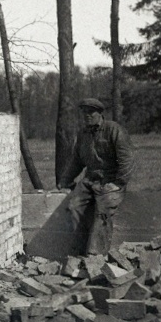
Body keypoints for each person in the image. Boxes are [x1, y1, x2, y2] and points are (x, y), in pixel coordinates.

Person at [56, 98, 135, 256]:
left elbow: (127, 159)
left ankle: (95, 256)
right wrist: (65, 180)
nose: (87, 116)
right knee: (73, 207)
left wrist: (119, 182)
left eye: (91, 112)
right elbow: (76, 161)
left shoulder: (113, 130)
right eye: (84, 112)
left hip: (111, 181)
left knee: (102, 212)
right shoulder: (83, 134)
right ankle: (79, 254)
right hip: (90, 180)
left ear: (100, 113)